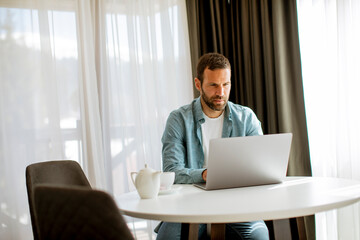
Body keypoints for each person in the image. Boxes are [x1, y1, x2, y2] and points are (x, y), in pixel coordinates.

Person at [156, 53, 269, 239]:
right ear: (198, 84)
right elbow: (171, 171)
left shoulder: (246, 118)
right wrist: (203, 174)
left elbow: (260, 167)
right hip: (188, 207)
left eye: (226, 84)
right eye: (214, 85)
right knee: (167, 238)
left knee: (259, 236)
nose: (221, 93)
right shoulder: (178, 119)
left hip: (238, 207)